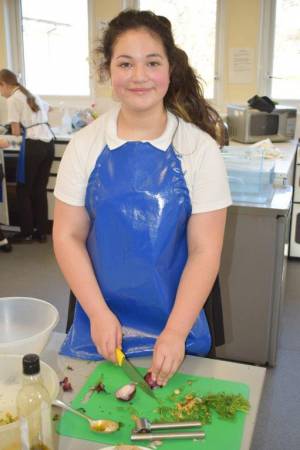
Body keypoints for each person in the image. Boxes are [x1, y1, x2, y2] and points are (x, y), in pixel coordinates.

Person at [53, 9, 232, 386]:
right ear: (108, 71)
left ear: (170, 68)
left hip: (177, 320)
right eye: (125, 63)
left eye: (152, 62)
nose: (139, 76)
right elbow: (67, 236)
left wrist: (175, 331)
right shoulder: (85, 146)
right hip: (99, 318)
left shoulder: (199, 150)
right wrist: (100, 315)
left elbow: (205, 250)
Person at [0, 69, 54, 243]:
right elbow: (49, 108)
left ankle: (26, 232)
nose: (1, 94)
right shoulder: (30, 94)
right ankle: (42, 232)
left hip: (33, 145)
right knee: (39, 189)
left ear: (4, 85)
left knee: (23, 190)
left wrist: (7, 134)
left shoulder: (13, 99)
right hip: (48, 143)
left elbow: (15, 132)